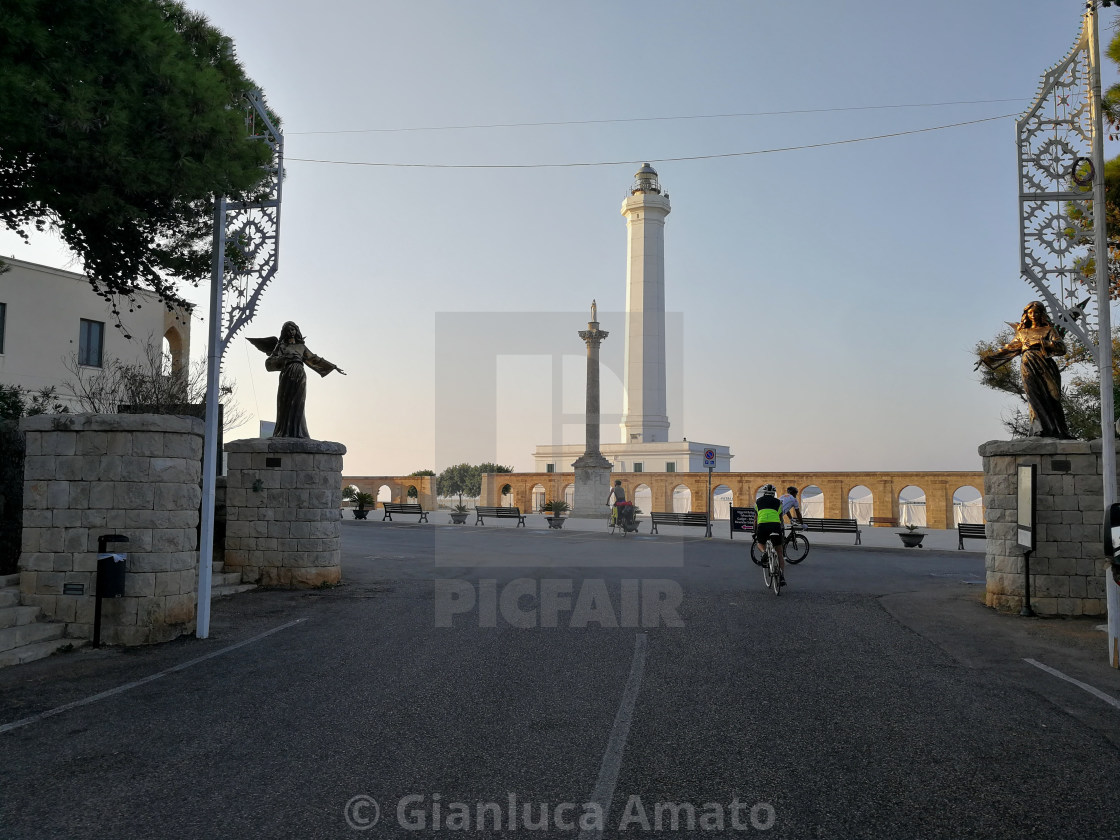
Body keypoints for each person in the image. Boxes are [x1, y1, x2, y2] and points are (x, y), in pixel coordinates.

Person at [974, 301, 1070, 439]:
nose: (1033, 315)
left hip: (1046, 365)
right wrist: (987, 358)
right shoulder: (1023, 333)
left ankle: (1060, 431)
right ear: (1026, 314)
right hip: (1028, 365)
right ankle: (1038, 430)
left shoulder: (1049, 330)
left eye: (1036, 312)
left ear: (1042, 314)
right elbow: (1008, 348)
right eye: (1030, 312)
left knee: (1052, 396)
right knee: (1033, 396)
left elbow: (1061, 347)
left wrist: (1042, 342)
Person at [248, 321, 345, 438]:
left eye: (293, 329)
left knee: (298, 403)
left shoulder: (301, 347)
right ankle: (283, 432)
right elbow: (269, 363)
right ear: (284, 332)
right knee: (285, 402)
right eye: (288, 330)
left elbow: (314, 359)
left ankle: (298, 432)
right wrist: (283, 358)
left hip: (300, 374)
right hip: (286, 374)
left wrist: (333, 366)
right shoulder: (281, 346)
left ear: (296, 331)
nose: (291, 332)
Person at [755, 484, 786, 585]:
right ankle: (781, 576)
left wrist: (754, 530)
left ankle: (764, 552)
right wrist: (781, 530)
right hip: (775, 526)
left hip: (762, 525)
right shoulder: (778, 502)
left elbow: (755, 518)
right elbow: (781, 519)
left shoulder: (758, 502)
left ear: (764, 492)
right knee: (780, 552)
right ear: (774, 493)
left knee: (759, 542)